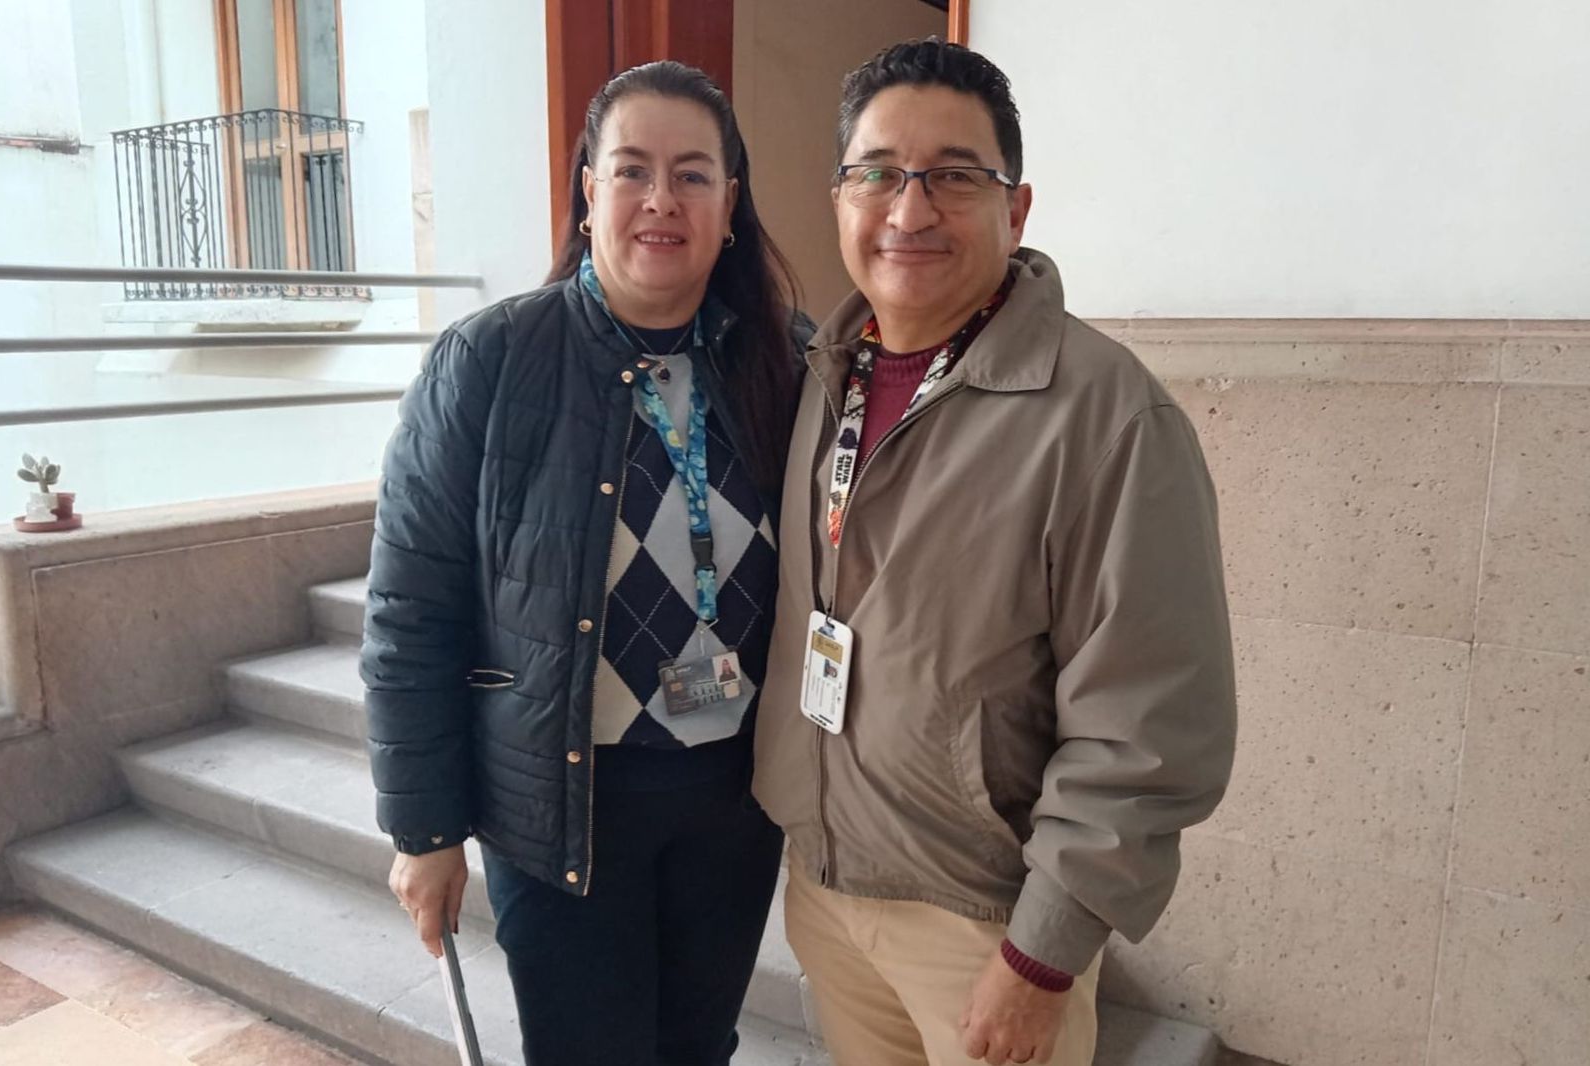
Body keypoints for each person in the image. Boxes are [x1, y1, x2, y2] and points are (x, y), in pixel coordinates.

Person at [753, 38, 1238, 1066]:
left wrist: (1042, 954)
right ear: (839, 198)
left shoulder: (1106, 415)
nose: (910, 209)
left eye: (955, 176)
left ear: (1015, 210)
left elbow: (1149, 721)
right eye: (879, 173)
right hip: (828, 890)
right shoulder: (822, 374)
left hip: (984, 924)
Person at [361, 60, 808, 1066]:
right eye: (633, 169)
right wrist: (424, 829)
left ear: (730, 205)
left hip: (732, 801)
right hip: (563, 804)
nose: (661, 199)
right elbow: (410, 611)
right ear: (588, 190)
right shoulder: (489, 361)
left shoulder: (785, 363)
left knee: (697, 1046)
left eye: (693, 175)